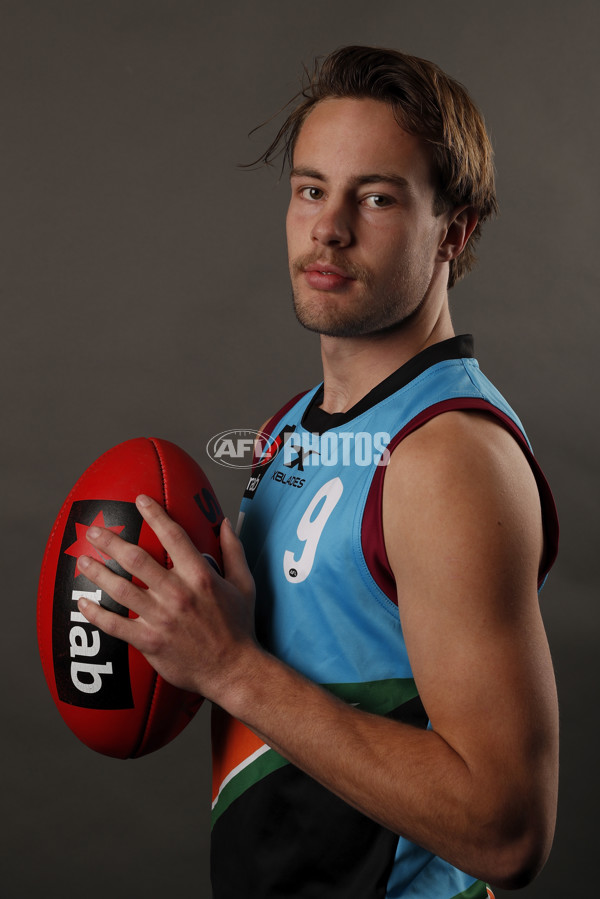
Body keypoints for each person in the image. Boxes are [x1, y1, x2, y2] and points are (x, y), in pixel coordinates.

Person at [77, 46, 559, 899]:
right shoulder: (294, 425)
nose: (329, 227)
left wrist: (230, 667)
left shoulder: (446, 457)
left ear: (454, 230)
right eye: (311, 189)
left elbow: (507, 827)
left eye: (376, 197)